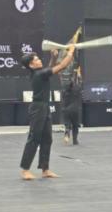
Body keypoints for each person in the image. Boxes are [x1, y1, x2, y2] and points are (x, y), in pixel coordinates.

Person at [19, 45, 75, 180]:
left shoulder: (39, 73)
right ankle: (25, 170)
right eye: (36, 59)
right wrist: (71, 52)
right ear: (31, 65)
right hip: (38, 108)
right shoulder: (39, 74)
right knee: (34, 138)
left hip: (44, 107)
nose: (39, 60)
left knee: (47, 139)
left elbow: (49, 69)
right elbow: (62, 66)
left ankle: (45, 169)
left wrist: (53, 57)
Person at [56, 45, 82, 145]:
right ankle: (75, 140)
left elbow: (61, 79)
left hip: (66, 109)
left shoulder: (64, 90)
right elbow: (80, 81)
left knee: (67, 124)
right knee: (75, 125)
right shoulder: (77, 89)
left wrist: (60, 74)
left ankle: (67, 133)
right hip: (75, 110)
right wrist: (78, 74)